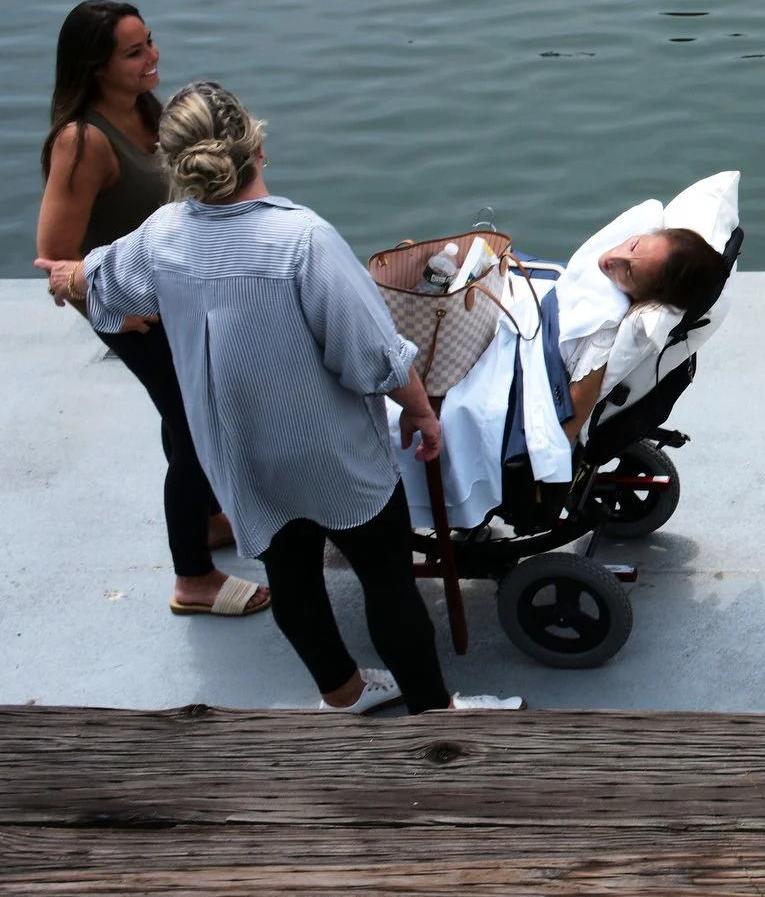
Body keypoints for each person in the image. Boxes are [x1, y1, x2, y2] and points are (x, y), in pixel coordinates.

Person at [35, 81, 521, 712]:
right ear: (257, 146)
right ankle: (433, 713)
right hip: (330, 452)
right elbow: (371, 357)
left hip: (236, 450)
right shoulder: (303, 241)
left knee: (291, 575)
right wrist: (423, 412)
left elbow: (100, 285)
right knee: (385, 579)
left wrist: (69, 277)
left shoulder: (162, 235)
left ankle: (343, 696)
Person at [34, 2, 265, 617]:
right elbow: (55, 256)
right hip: (142, 318)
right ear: (96, 66)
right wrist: (116, 316)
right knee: (194, 431)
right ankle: (193, 580)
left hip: (181, 306)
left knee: (184, 417)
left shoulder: (148, 115)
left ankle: (212, 519)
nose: (151, 57)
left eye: (150, 43)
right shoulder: (82, 142)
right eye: (133, 53)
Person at [562, 227, 730, 440]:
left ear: (645, 298)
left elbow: (564, 434)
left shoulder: (600, 342)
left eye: (629, 273)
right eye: (633, 245)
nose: (613, 258)